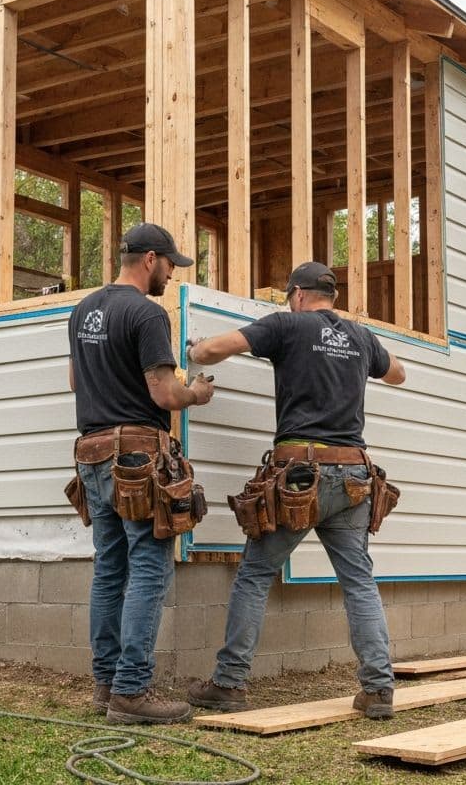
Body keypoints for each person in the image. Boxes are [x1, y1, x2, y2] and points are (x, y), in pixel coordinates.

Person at [184, 261, 407, 719]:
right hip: (352, 479)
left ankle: (228, 684)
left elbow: (212, 351)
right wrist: (356, 356)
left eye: (290, 297)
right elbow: (398, 374)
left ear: (299, 295)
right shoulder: (359, 336)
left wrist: (194, 348)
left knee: (254, 575)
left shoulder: (286, 325)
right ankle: (379, 690)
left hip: (297, 477)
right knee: (359, 581)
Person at [68, 222, 215, 724]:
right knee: (150, 566)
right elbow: (163, 394)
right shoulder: (148, 315)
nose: (172, 274)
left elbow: (75, 379)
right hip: (136, 455)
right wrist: (196, 392)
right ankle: (131, 693)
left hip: (91, 453)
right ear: (150, 259)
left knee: (109, 569)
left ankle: (106, 686)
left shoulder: (83, 310)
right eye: (171, 264)